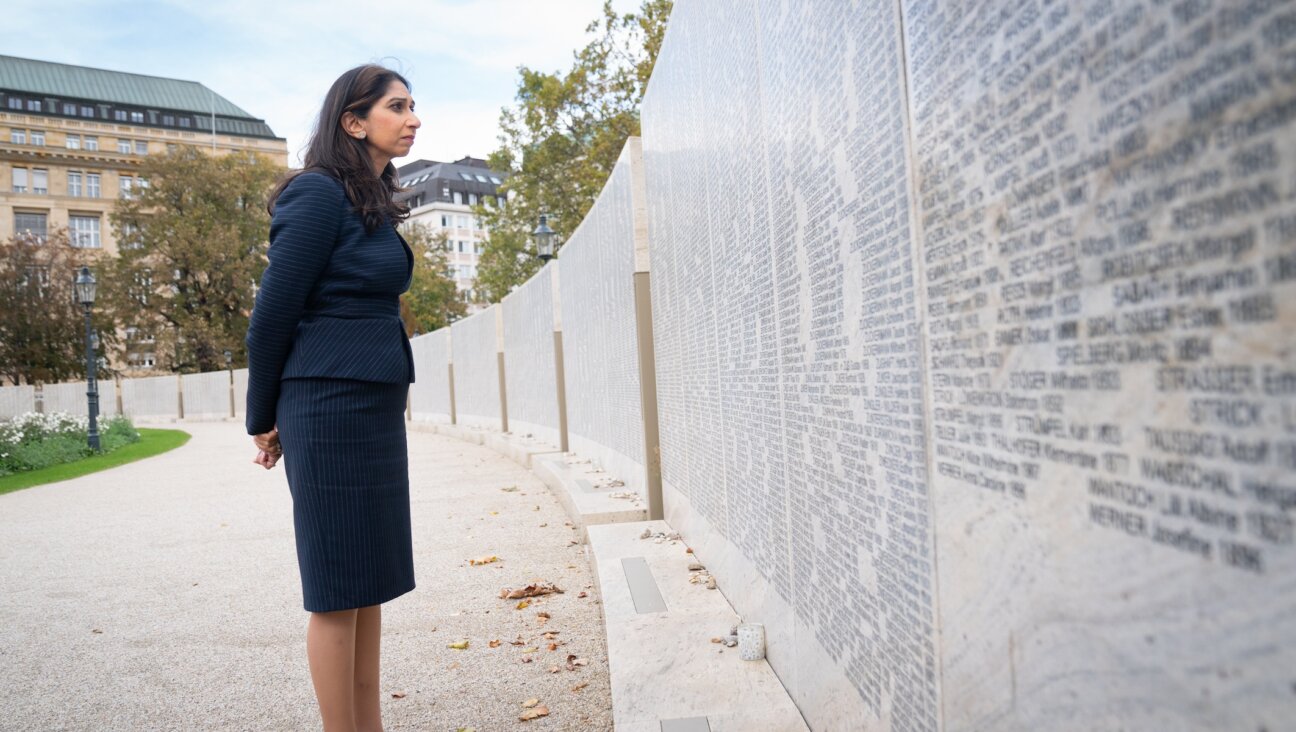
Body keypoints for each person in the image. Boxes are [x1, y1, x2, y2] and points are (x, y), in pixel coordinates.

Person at [245, 64, 420, 732]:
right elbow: (272, 317)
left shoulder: (367, 199)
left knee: (368, 580)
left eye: (413, 106)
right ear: (353, 121)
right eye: (397, 106)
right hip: (325, 404)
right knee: (337, 586)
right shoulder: (316, 196)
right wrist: (263, 418)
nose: (413, 118)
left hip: (371, 403)